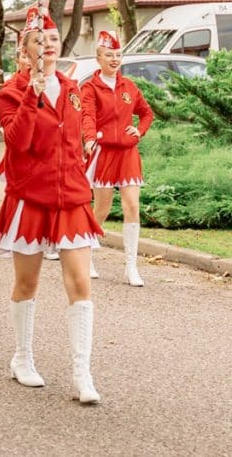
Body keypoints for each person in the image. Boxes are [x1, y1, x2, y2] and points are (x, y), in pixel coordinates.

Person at [0, 6, 103, 403]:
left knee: (80, 282)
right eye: (40, 41)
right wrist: (31, 97)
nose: (49, 46)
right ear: (24, 53)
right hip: (30, 196)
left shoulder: (73, 89)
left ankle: (82, 374)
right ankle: (22, 358)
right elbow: (17, 142)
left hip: (70, 196)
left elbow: (72, 141)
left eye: (53, 40)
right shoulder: (10, 93)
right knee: (28, 282)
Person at [82, 31, 154, 287]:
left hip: (127, 153)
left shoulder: (129, 87)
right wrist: (89, 139)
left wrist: (140, 131)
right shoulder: (89, 88)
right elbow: (87, 115)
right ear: (98, 59)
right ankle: (86, 255)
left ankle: (131, 266)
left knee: (132, 206)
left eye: (118, 55)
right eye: (109, 55)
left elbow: (147, 113)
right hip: (104, 153)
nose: (114, 59)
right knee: (101, 209)